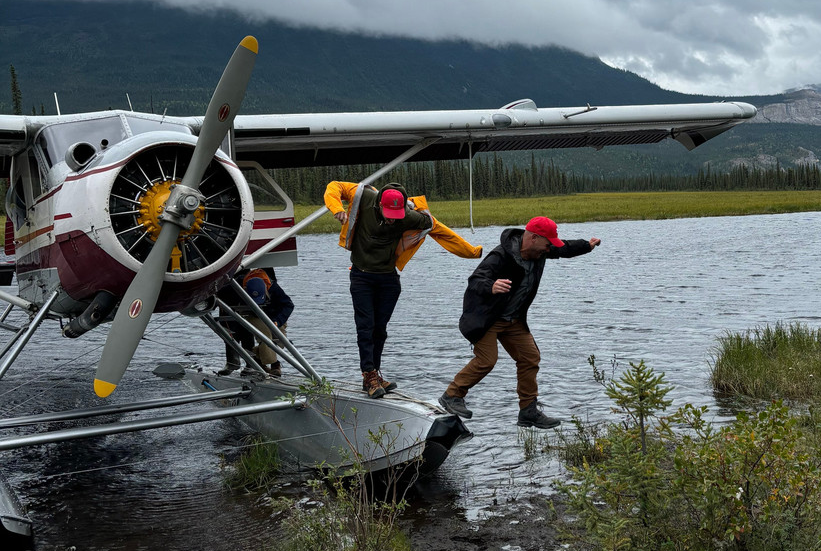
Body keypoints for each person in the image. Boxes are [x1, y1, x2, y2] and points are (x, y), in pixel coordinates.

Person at [324, 180, 482, 398]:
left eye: (395, 215)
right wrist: (337, 208)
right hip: (361, 277)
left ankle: (375, 374)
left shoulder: (410, 217)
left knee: (379, 329)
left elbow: (440, 230)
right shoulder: (365, 197)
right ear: (379, 204)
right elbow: (334, 187)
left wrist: (472, 252)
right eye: (388, 213)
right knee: (365, 326)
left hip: (388, 279)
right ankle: (368, 375)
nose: (391, 218)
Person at [439, 216, 600, 429]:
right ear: (533, 238)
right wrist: (492, 285)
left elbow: (564, 248)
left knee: (530, 357)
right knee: (487, 360)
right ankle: (451, 395)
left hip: (513, 320)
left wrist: (586, 246)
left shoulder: (540, 249)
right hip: (487, 319)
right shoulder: (501, 256)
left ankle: (528, 411)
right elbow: (475, 280)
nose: (549, 248)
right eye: (547, 243)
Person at [242, 268, 294, 377]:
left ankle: (257, 358)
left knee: (281, 340)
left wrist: (277, 321)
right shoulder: (239, 288)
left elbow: (288, 305)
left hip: (274, 316)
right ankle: (275, 365)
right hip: (252, 315)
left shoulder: (274, 288)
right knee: (265, 336)